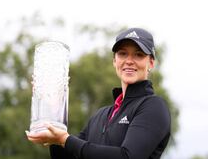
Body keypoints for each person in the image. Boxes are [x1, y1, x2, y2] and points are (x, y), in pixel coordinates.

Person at [26, 28, 171, 159]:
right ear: (114, 61)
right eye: (122, 54)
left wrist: (65, 140)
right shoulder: (101, 115)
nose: (129, 61)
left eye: (138, 55)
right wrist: (52, 112)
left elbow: (127, 156)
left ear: (151, 63)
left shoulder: (153, 107)